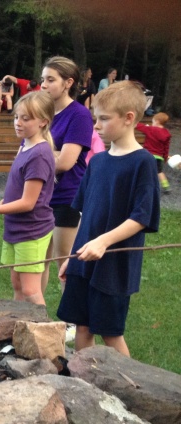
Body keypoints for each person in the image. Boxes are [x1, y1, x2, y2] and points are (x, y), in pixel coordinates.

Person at [57, 81, 161, 356]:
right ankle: (83, 385)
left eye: (104, 119)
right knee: (82, 326)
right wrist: (72, 255)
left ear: (129, 118)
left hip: (114, 265)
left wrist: (103, 242)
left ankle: (130, 394)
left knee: (110, 332)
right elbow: (83, 213)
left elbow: (141, 217)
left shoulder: (143, 163)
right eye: (95, 119)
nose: (96, 126)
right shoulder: (97, 161)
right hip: (85, 259)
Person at [0, 92, 57, 305]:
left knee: (31, 290)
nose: (18, 123)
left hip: (32, 230)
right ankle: (20, 327)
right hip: (16, 227)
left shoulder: (39, 154)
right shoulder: (25, 146)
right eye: (17, 117)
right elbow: (20, 189)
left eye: (26, 119)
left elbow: (28, 202)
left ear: (44, 121)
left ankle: (49, 334)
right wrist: (5, 203)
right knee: (17, 284)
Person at [39, 56, 94, 292]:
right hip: (41, 195)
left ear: (68, 82)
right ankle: (34, 317)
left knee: (65, 261)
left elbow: (65, 162)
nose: (43, 85)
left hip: (66, 197)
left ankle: (72, 323)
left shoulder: (79, 115)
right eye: (42, 79)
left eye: (51, 80)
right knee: (37, 261)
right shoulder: (45, 113)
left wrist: (40, 151)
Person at [135, 112, 172, 192]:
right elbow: (166, 147)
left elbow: (139, 126)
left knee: (144, 170)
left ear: (157, 121)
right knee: (159, 172)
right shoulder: (167, 133)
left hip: (148, 155)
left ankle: (143, 185)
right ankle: (166, 186)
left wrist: (132, 121)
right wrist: (165, 157)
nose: (152, 123)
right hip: (158, 157)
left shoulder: (150, 129)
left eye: (153, 122)